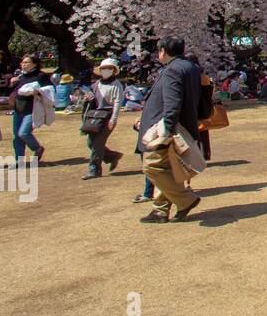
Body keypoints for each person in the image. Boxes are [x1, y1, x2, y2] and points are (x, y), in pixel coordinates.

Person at [134, 36, 203, 224]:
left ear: (163, 50)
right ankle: (160, 210)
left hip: (168, 127)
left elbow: (172, 103)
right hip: (183, 124)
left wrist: (166, 130)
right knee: (168, 169)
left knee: (152, 165)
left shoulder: (173, 70)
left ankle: (186, 199)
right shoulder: (190, 68)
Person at [80, 57, 125, 179]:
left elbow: (117, 102)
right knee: (91, 142)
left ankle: (94, 169)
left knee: (97, 144)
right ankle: (111, 156)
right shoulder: (96, 84)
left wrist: (113, 119)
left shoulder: (117, 85)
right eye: (104, 68)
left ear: (114, 70)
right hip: (95, 116)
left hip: (107, 116)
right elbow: (93, 98)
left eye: (109, 68)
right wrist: (88, 98)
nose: (106, 70)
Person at [6, 53, 49, 165]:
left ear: (34, 64)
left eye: (26, 62)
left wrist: (38, 92)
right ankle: (18, 160)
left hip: (32, 109)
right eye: (22, 62)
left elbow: (50, 90)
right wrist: (12, 84)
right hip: (18, 108)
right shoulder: (21, 76)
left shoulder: (41, 76)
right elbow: (15, 91)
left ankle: (37, 148)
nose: (23, 65)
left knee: (23, 133)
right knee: (17, 136)